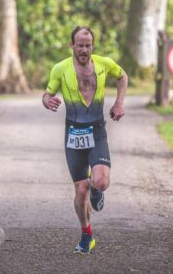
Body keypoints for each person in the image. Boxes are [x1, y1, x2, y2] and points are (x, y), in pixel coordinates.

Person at [42, 26, 128, 254]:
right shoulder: (60, 69)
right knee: (80, 191)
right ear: (71, 45)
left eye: (88, 45)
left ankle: (97, 190)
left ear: (93, 46)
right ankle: (86, 235)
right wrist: (47, 101)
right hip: (73, 134)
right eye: (79, 45)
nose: (84, 49)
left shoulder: (104, 64)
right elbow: (47, 93)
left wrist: (119, 103)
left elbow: (122, 76)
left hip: (97, 130)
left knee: (100, 182)